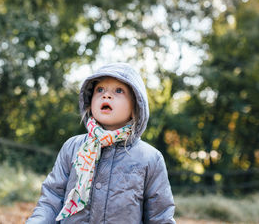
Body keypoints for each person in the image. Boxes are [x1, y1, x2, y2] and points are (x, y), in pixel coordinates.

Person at [26, 63, 175, 223]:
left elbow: (160, 217)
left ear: (135, 107)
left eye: (119, 91)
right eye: (100, 90)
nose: (106, 95)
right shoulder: (72, 147)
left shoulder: (150, 158)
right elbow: (51, 200)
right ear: (90, 103)